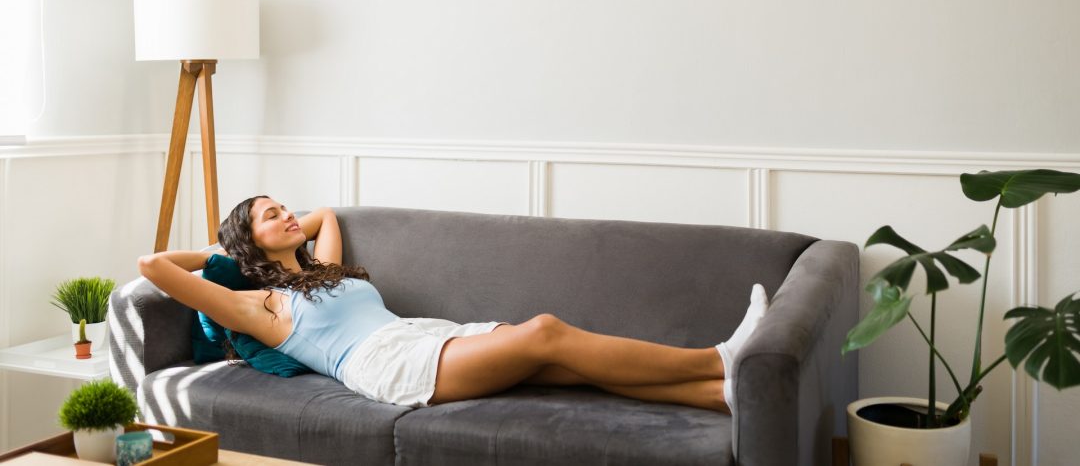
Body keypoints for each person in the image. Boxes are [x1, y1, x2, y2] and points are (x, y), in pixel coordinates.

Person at [138, 196, 769, 413]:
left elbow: (326, 213)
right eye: (269, 215)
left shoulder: (321, 270)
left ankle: (717, 394)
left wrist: (278, 235)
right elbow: (153, 267)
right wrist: (222, 256)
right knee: (545, 333)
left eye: (281, 205)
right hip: (388, 369)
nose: (285, 213)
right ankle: (719, 357)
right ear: (250, 243)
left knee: (565, 369)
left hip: (420, 335)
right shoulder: (260, 308)